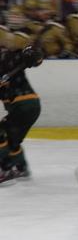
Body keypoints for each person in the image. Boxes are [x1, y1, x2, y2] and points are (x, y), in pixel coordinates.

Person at [0, 21, 43, 183]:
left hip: (25, 104)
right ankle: (20, 167)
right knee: (11, 140)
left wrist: (32, 54)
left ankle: (6, 169)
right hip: (24, 107)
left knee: (3, 134)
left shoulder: (8, 56)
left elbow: (37, 57)